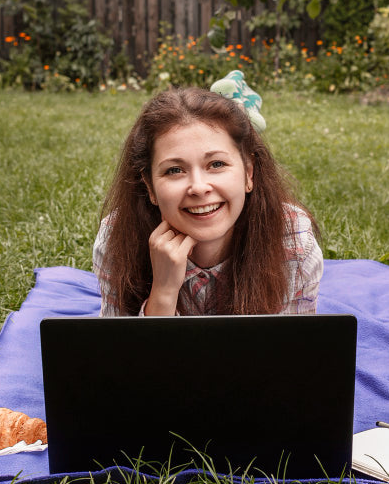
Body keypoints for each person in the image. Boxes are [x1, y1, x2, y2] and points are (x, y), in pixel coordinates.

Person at [92, 77, 322, 316]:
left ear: (248, 172)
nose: (199, 188)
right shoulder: (116, 240)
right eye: (174, 170)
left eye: (216, 164)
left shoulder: (292, 239)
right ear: (149, 186)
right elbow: (125, 353)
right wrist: (164, 290)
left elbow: (293, 350)